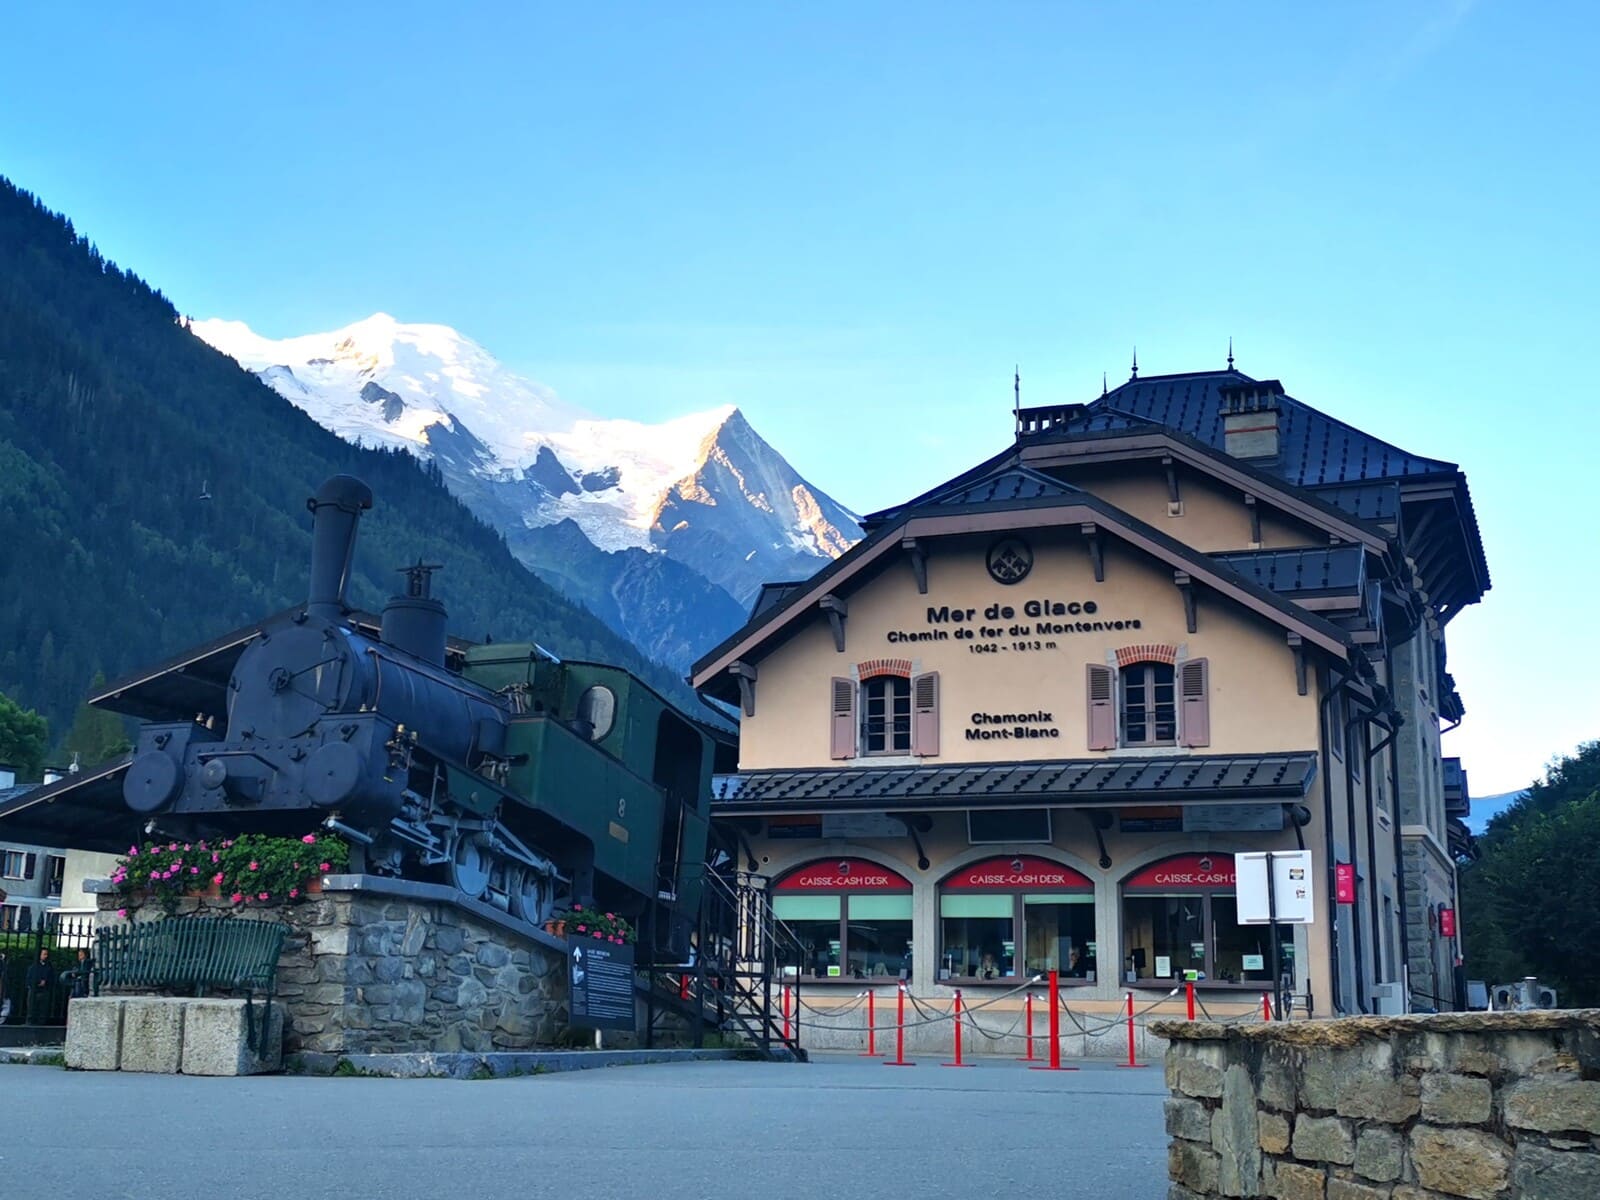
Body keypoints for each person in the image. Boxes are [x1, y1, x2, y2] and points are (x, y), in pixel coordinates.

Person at [25, 948, 57, 1025]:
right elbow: (29, 978)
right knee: (32, 1009)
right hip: (34, 990)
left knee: (43, 1010)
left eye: (46, 954)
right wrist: (38, 982)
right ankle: (30, 1023)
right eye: (44, 954)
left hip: (44, 990)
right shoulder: (33, 966)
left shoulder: (49, 967)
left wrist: (46, 982)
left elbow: (52, 978)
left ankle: (41, 1024)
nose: (46, 956)